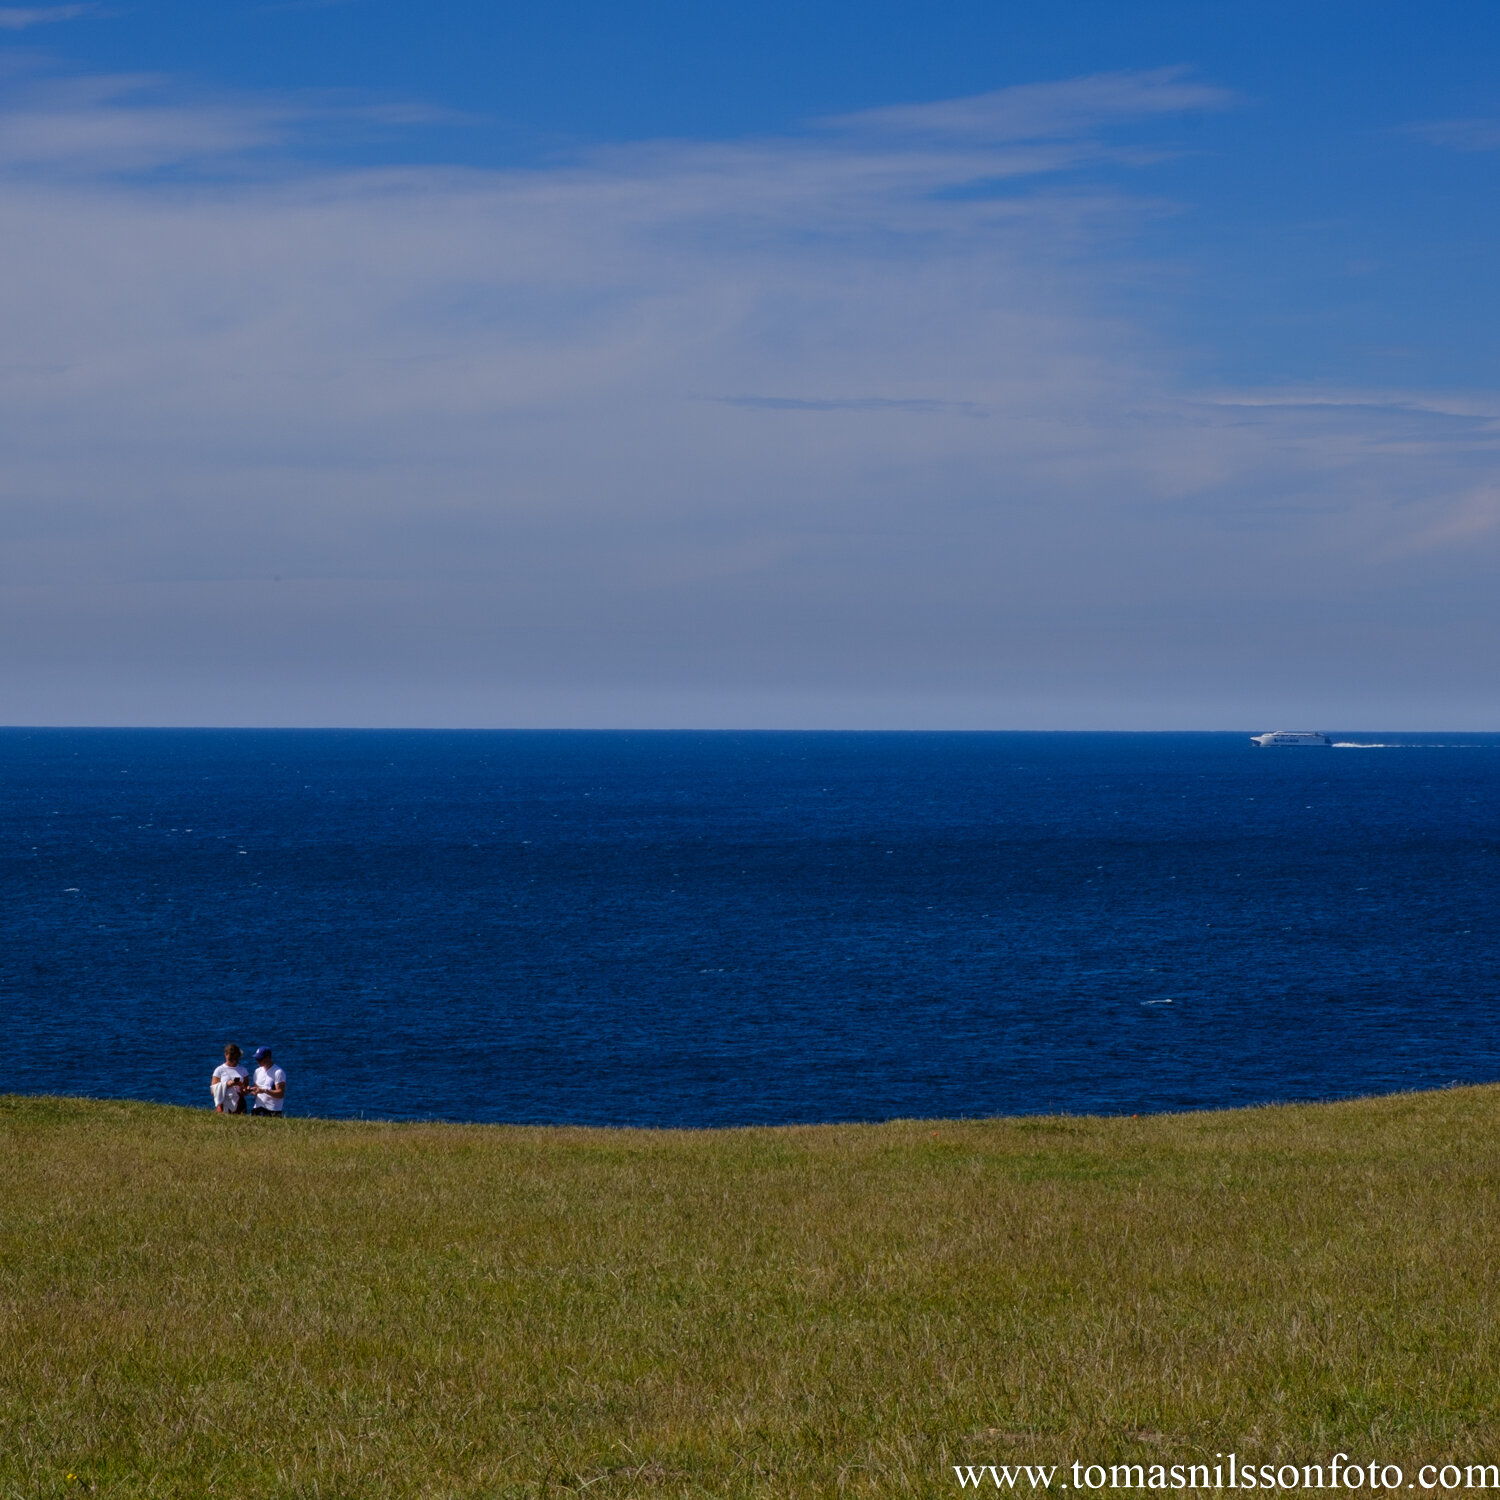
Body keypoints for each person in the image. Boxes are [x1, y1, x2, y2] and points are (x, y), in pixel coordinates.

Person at [210, 1044, 248, 1114]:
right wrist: (227, 1084)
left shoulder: (243, 1070)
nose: (233, 1061)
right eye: (231, 1058)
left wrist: (243, 1088)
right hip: (223, 1104)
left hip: (239, 1103)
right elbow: (213, 1091)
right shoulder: (219, 1070)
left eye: (236, 1059)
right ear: (225, 1055)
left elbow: (245, 1090)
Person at [248, 1047, 287, 1116]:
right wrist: (251, 1090)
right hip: (257, 1108)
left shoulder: (278, 1072)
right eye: (257, 1059)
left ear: (268, 1058)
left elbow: (281, 1093)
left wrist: (264, 1091)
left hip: (272, 1110)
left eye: (260, 1059)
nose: (258, 1061)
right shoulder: (257, 1071)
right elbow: (256, 1091)